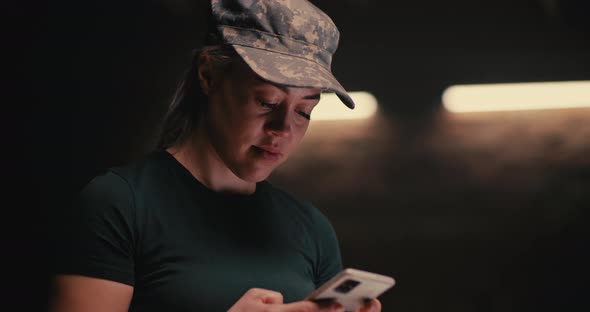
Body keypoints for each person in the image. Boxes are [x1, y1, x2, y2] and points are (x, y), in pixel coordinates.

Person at [51, 0, 382, 311]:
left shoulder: (311, 229)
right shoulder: (119, 205)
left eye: (305, 111)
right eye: (267, 102)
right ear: (208, 75)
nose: (283, 128)